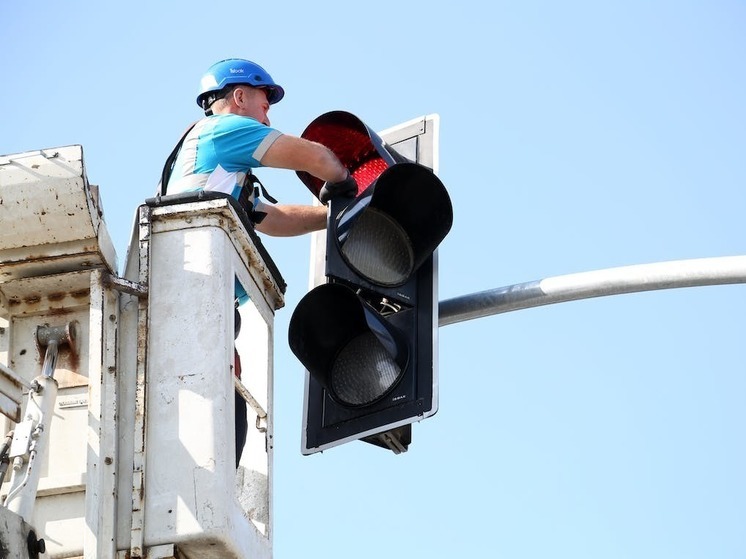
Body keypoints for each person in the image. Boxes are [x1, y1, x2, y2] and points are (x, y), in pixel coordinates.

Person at [163, 58, 357, 467]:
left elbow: (273, 217)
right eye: (265, 100)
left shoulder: (219, 170)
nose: (268, 111)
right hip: (194, 290)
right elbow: (309, 157)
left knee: (225, 402)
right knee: (218, 408)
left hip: (198, 295)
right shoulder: (223, 131)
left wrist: (333, 216)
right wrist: (345, 182)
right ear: (238, 96)